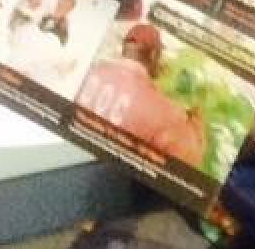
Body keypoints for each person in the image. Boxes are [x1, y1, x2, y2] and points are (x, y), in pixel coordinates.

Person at [76, 23, 205, 167]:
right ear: (154, 54)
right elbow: (188, 163)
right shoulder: (167, 114)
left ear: (124, 49)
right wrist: (196, 127)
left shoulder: (87, 72)